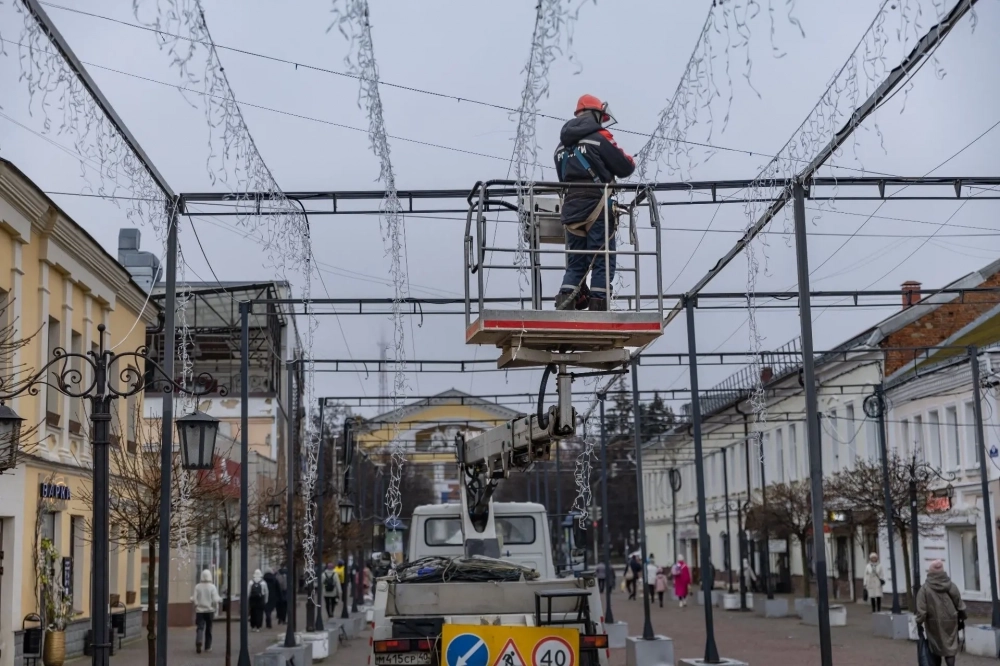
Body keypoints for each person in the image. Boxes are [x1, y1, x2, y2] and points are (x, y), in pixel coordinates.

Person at [553, 94, 635, 312]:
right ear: (596, 114)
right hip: (597, 207)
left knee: (576, 261)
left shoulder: (560, 147)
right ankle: (599, 305)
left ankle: (566, 302)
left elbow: (563, 179)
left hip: (571, 209)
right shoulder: (600, 137)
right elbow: (625, 167)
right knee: (602, 258)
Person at [915, 560, 966, 666]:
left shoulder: (924, 589)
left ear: (930, 571)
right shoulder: (951, 586)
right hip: (951, 621)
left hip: (933, 622)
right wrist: (962, 617)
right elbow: (959, 603)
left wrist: (918, 622)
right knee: (950, 648)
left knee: (935, 647)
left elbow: (922, 610)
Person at [191, 569, 222, 654]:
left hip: (200, 611)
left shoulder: (197, 587)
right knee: (209, 629)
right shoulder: (212, 587)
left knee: (200, 627)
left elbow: (194, 599)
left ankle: (199, 640)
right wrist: (218, 603)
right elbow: (215, 599)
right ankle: (208, 647)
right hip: (209, 611)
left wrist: (196, 605)